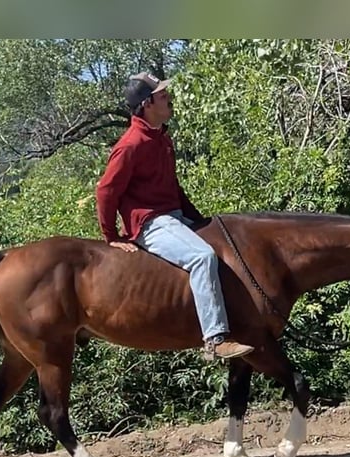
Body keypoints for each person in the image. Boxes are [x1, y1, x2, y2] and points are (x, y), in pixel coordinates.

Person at [95, 71, 254, 361]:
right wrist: (111, 237)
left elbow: (172, 188)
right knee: (202, 257)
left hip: (176, 217)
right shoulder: (130, 146)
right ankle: (215, 339)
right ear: (146, 104)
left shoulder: (161, 139)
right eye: (162, 95)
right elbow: (105, 191)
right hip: (152, 224)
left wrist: (202, 221)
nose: (168, 98)